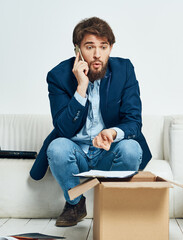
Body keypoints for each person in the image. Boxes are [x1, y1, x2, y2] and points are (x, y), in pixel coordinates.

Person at [29, 17, 152, 227]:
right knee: (57, 147)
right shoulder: (58, 76)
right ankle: (75, 204)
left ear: (110, 48)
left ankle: (113, 207)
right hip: (76, 153)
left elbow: (133, 121)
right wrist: (81, 87)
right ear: (77, 50)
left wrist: (112, 133)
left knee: (131, 148)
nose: (97, 54)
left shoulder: (124, 70)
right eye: (89, 47)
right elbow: (63, 128)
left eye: (103, 47)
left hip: (108, 151)